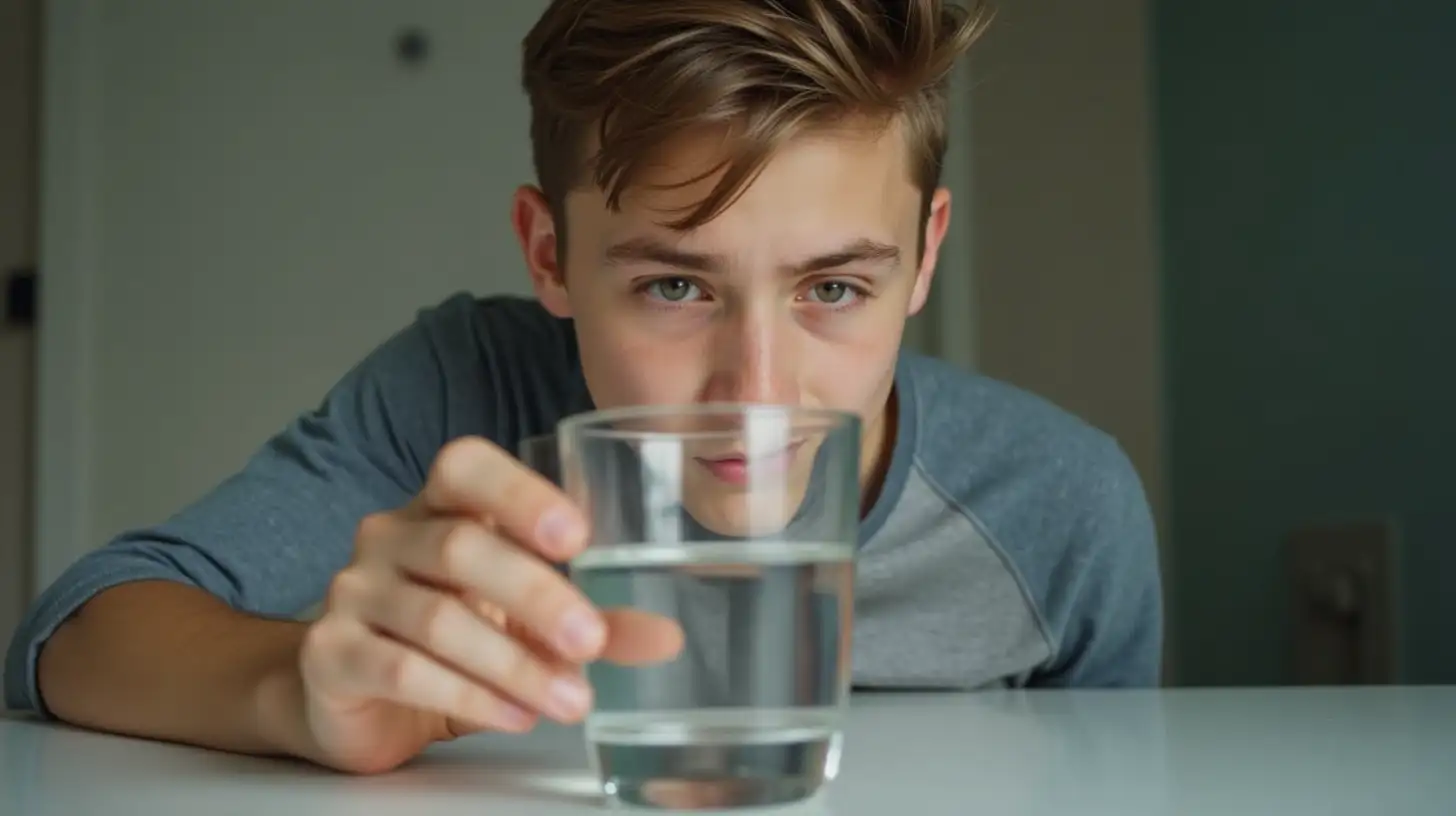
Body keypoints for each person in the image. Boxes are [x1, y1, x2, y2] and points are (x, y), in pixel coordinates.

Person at [3, 0, 1162, 776]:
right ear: (548, 253)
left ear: (924, 256)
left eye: (833, 290)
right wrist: (294, 696)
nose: (752, 395)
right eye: (673, 287)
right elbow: (70, 636)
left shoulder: (1060, 509)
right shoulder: (468, 391)